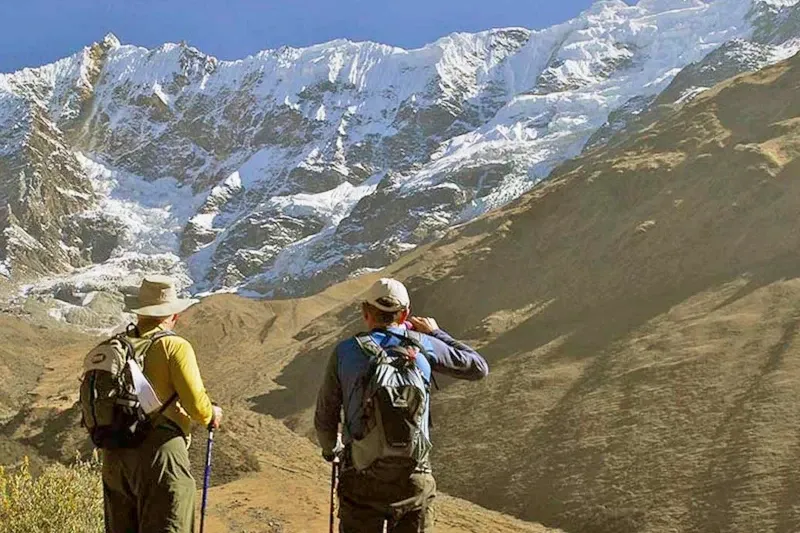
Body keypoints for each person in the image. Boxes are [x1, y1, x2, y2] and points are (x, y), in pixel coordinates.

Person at [315, 277, 489, 533]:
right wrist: (435, 333)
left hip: (361, 476)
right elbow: (478, 367)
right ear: (405, 313)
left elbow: (326, 415)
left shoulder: (346, 352)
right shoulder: (424, 345)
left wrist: (331, 450)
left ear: (365, 312)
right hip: (413, 476)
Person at [102, 275, 223, 533]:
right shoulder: (173, 346)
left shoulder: (115, 347)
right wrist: (212, 413)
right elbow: (197, 407)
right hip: (161, 456)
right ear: (173, 315)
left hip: (114, 457)